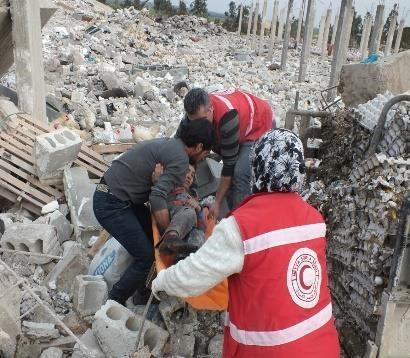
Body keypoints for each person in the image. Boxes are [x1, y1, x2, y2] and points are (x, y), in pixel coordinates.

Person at [152, 129, 340, 357]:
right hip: (322, 346)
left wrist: (161, 281)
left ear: (257, 167)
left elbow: (193, 276)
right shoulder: (314, 219)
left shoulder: (242, 227)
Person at [93, 119, 215, 306]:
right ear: (198, 147)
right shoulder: (181, 159)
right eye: (205, 153)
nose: (203, 158)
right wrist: (169, 232)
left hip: (115, 195)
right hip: (112, 203)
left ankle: (142, 290)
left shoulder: (171, 144)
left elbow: (162, 190)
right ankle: (113, 303)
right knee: (146, 255)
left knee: (151, 238)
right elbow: (158, 196)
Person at [176, 88, 275, 219]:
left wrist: (216, 203)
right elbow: (177, 147)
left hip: (257, 123)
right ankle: (230, 210)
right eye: (193, 121)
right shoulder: (192, 118)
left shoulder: (228, 118)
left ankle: (240, 224)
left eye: (201, 120)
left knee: (239, 174)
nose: (197, 125)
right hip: (233, 122)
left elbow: (229, 165)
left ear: (210, 109)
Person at [154, 163, 206, 260]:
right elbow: (157, 196)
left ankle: (185, 262)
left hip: (184, 235)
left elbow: (202, 228)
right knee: (190, 212)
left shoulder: (193, 197)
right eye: (187, 171)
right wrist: (159, 181)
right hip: (169, 220)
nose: (189, 176)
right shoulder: (169, 185)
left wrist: (198, 209)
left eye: (192, 175)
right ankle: (170, 238)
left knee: (198, 234)